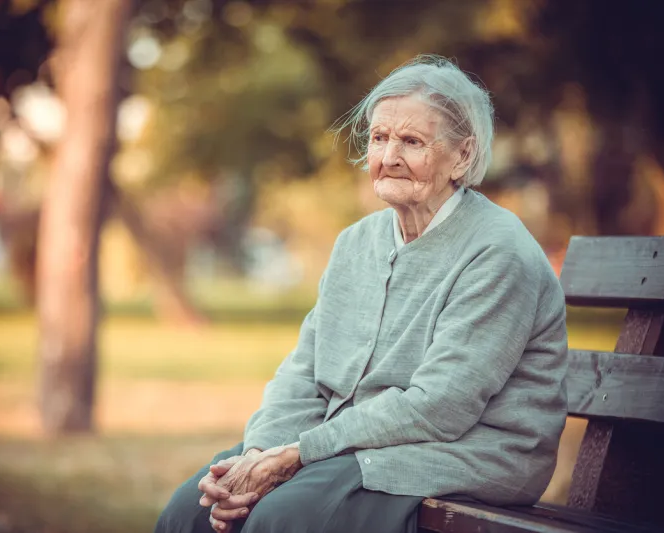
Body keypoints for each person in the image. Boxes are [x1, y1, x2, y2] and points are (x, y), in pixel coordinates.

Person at [155, 55, 568, 533]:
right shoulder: (356, 242)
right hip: (348, 445)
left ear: (463, 156)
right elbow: (304, 372)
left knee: (281, 520)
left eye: (411, 141)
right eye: (378, 138)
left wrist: (298, 453)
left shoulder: (498, 251)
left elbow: (441, 407)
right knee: (189, 513)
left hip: (468, 450)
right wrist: (259, 452)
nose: (388, 156)